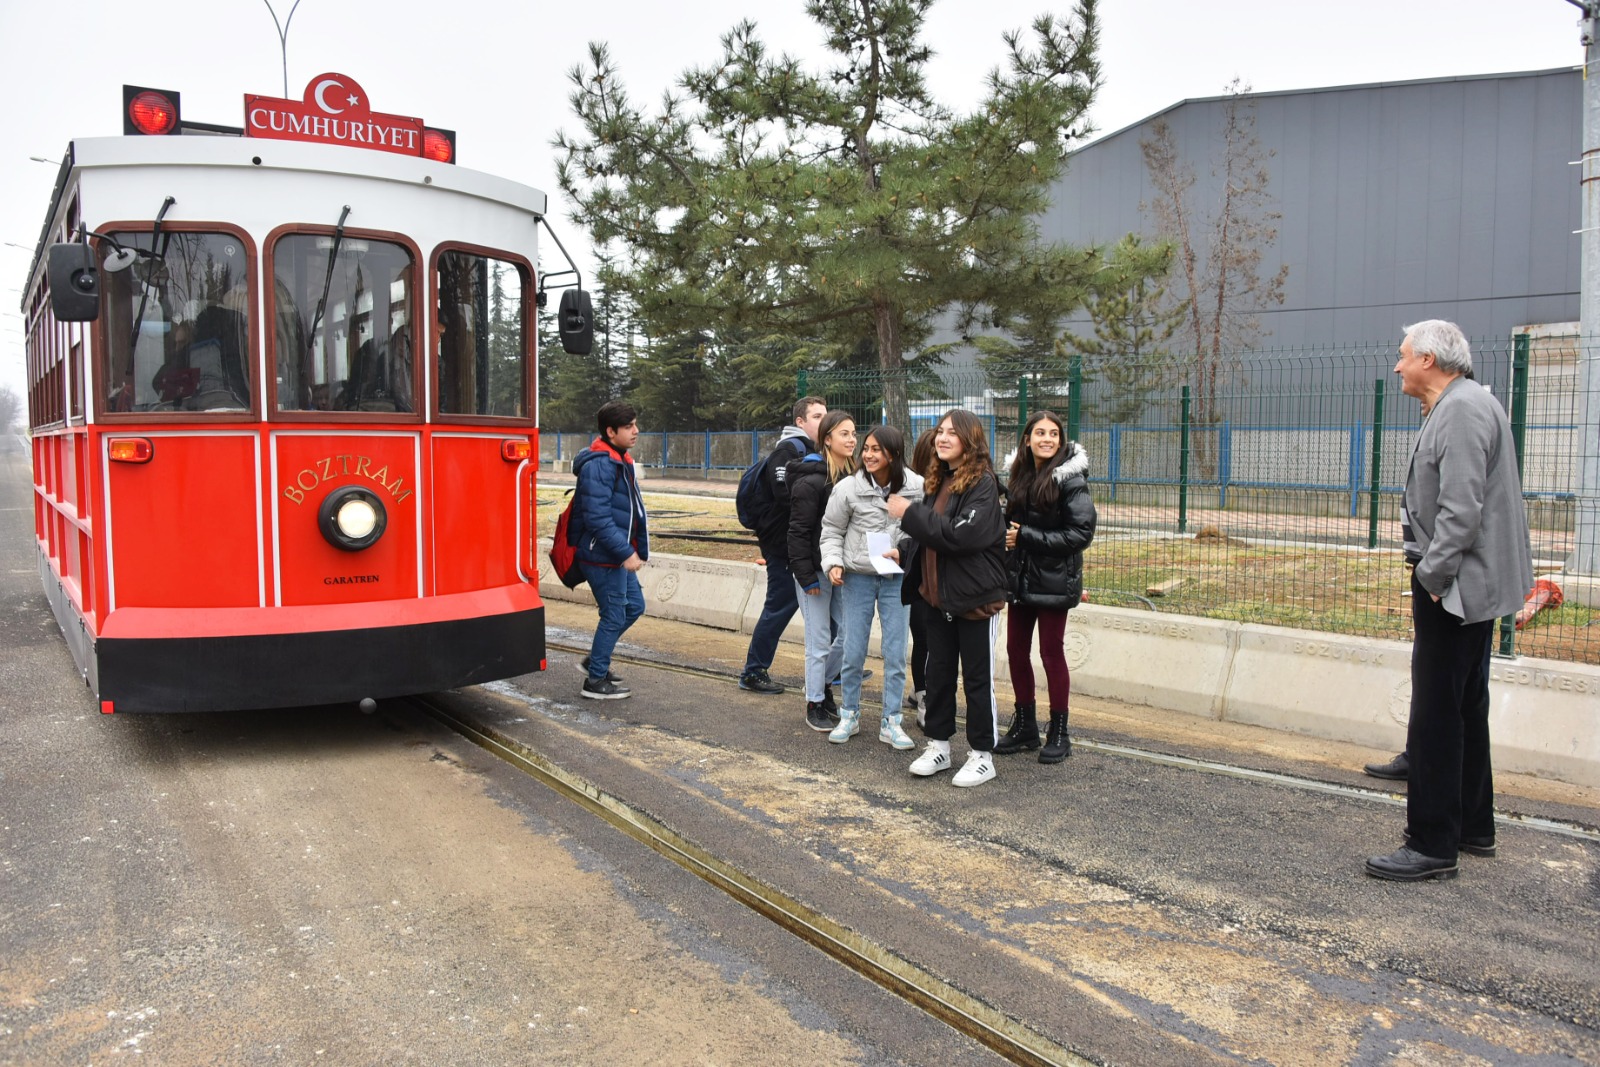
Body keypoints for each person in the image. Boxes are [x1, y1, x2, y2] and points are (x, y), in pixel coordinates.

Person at [1365, 320, 1533, 881]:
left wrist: (1432, 579)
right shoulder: (1467, 402)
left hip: (1456, 586)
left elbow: (1462, 511)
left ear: (1430, 361)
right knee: (1465, 705)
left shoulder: (1460, 411)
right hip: (1471, 583)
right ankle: (1473, 827)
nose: (1397, 367)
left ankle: (1433, 843)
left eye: (1403, 356)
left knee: (1437, 713)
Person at [888, 409, 1008, 787]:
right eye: (940, 432)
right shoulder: (940, 481)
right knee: (938, 676)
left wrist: (908, 513)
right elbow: (933, 536)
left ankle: (982, 755)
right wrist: (905, 550)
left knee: (976, 679)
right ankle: (939, 745)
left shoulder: (984, 485)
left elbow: (959, 536)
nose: (942, 438)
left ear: (969, 440)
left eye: (951, 434)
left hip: (974, 601)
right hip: (938, 599)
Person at [994, 411, 1097, 764]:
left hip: (1054, 580)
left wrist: (1025, 536)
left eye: (1053, 434)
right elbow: (1012, 524)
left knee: (1051, 654)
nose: (1047, 439)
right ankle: (1025, 727)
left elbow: (1080, 534)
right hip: (1022, 578)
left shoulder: (1071, 479)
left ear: (1061, 440)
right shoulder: (1021, 475)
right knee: (1016, 650)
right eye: (1040, 433)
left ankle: (1059, 731)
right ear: (1027, 439)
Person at [818, 426, 925, 748]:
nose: (868, 454)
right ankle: (849, 714)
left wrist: (904, 552)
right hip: (858, 578)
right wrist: (833, 562)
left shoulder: (916, 486)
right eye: (866, 448)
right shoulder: (848, 487)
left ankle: (891, 721)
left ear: (893, 453)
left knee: (895, 653)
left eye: (877, 449)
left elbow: (923, 531)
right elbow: (831, 530)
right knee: (852, 649)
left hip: (897, 579)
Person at [740, 396, 827, 694]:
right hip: (783, 546)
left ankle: (833, 668)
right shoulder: (789, 450)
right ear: (800, 422)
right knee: (780, 605)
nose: (823, 421)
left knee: (826, 607)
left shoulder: (813, 451)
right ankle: (753, 672)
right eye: (816, 416)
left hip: (800, 546)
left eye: (824, 416)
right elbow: (785, 495)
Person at [570, 400, 650, 700]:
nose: (635, 431)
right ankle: (595, 681)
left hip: (614, 554)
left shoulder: (618, 458)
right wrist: (625, 552)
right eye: (628, 427)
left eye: (635, 424)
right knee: (615, 615)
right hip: (602, 556)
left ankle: (596, 660)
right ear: (610, 431)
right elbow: (598, 518)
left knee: (634, 607)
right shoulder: (601, 464)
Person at [788, 410, 857, 731]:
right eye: (844, 434)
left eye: (854, 433)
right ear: (827, 439)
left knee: (847, 636)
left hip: (843, 572)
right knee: (818, 641)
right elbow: (798, 532)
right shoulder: (811, 480)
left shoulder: (854, 479)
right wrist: (805, 578)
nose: (852, 439)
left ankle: (824, 684)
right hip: (814, 574)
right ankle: (814, 701)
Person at [904, 427, 938, 728]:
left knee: (936, 643)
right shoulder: (915, 489)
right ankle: (923, 695)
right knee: (923, 639)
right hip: (918, 577)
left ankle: (926, 692)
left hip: (945, 579)